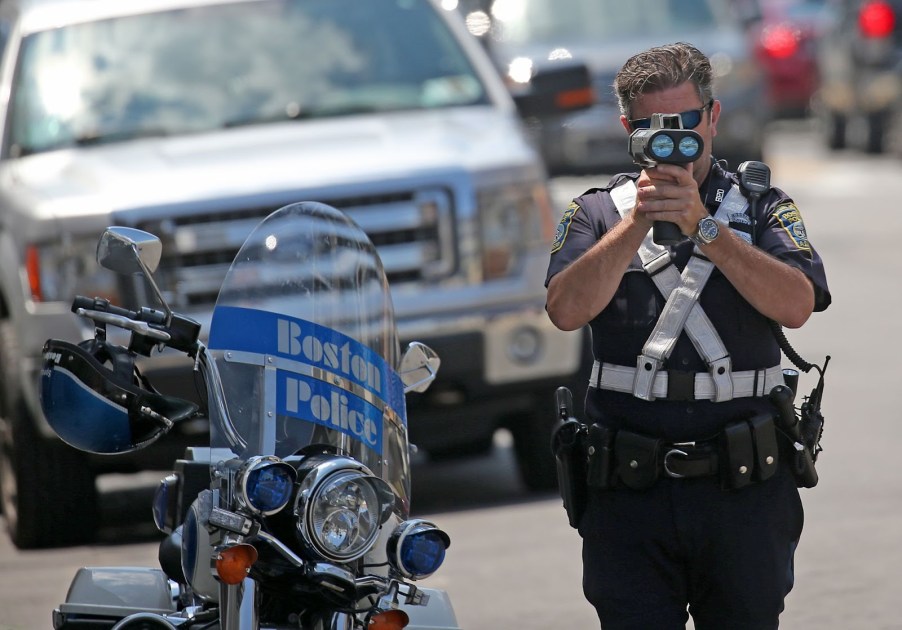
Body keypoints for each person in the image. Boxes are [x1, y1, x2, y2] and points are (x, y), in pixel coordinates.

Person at [545, 42, 831, 629]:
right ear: (628, 130)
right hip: (628, 491)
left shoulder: (762, 207)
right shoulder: (597, 213)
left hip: (742, 488)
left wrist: (708, 230)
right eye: (653, 127)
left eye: (686, 123)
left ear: (714, 117)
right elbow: (565, 310)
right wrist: (636, 224)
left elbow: (798, 304)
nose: (672, 139)